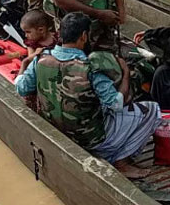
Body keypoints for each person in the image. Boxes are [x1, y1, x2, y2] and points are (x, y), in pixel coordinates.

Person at [15, 13, 161, 173]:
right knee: (152, 110)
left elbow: (21, 88)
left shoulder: (40, 59)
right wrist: (126, 73)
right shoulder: (91, 68)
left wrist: (24, 63)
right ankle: (122, 161)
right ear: (84, 36)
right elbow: (116, 105)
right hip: (90, 140)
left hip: (57, 131)